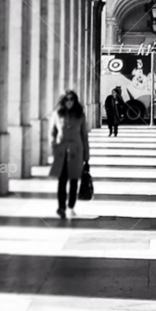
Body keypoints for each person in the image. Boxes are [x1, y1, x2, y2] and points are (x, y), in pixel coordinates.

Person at [49, 89, 90, 219]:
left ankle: (71, 206)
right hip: (61, 152)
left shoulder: (80, 115)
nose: (69, 102)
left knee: (73, 181)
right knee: (62, 181)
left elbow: (84, 135)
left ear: (75, 101)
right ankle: (61, 207)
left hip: (76, 151)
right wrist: (54, 146)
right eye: (66, 99)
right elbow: (52, 132)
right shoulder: (57, 114)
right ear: (63, 101)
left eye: (72, 99)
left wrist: (86, 155)